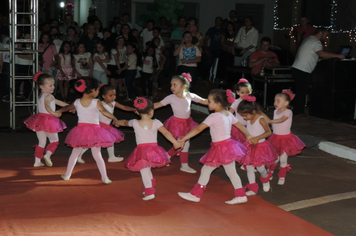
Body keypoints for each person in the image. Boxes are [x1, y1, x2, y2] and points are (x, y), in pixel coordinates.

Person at [177, 89, 251, 204]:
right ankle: (241, 194)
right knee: (231, 172)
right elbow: (240, 125)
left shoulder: (214, 116)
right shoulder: (228, 114)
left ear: (218, 103)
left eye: (210, 101)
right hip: (228, 146)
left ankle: (196, 194)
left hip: (221, 148)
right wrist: (249, 135)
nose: (208, 103)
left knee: (206, 169)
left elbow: (199, 128)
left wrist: (184, 138)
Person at [117, 97, 180, 200]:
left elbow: (124, 122)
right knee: (147, 169)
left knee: (144, 170)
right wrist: (175, 142)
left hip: (142, 151)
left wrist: (117, 122)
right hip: (154, 150)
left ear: (137, 112)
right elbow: (166, 133)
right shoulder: (156, 122)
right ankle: (150, 185)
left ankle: (149, 191)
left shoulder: (135, 122)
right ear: (151, 111)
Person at [59, 77, 120, 184]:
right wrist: (115, 118)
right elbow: (105, 112)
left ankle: (67, 175)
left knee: (74, 153)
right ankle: (105, 177)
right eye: (97, 90)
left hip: (81, 130)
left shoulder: (77, 101)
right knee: (97, 155)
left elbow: (67, 108)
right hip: (95, 130)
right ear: (92, 90)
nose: (97, 92)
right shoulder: (96, 102)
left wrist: (58, 111)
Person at [154, 73, 208, 173]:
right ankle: (183, 165)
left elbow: (204, 101)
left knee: (181, 144)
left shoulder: (189, 95)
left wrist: (217, 102)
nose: (172, 87)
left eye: (175, 85)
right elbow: (158, 104)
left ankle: (166, 157)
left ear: (184, 86)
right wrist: (145, 108)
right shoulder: (171, 97)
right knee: (185, 144)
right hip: (176, 124)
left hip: (187, 123)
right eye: (171, 85)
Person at [76, 84, 136, 163]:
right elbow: (105, 112)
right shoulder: (101, 104)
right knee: (93, 143)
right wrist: (114, 119)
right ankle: (79, 155)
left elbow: (124, 107)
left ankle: (111, 157)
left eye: (114, 95)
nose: (113, 97)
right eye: (110, 95)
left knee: (109, 141)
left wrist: (134, 110)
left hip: (107, 126)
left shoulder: (113, 103)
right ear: (104, 96)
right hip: (100, 127)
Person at [291, 28, 345, 115]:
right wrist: (338, 56)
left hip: (297, 68)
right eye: (326, 35)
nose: (326, 37)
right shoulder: (316, 42)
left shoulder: (308, 39)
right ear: (320, 33)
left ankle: (297, 111)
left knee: (301, 91)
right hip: (302, 70)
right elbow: (322, 54)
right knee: (302, 92)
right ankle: (298, 113)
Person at [24, 72, 68, 167]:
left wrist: (70, 107)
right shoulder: (49, 96)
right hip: (49, 121)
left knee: (42, 142)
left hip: (39, 121)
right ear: (42, 86)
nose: (53, 87)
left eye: (53, 85)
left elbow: (58, 102)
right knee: (54, 141)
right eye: (51, 85)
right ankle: (47, 155)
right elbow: (47, 106)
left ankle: (37, 161)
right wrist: (53, 113)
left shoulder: (41, 95)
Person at [237, 95, 279, 196]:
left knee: (260, 168)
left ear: (253, 112)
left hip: (260, 147)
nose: (244, 118)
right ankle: (253, 187)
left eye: (245, 115)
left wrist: (257, 138)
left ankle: (265, 180)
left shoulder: (261, 119)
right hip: (250, 147)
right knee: (250, 168)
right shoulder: (249, 119)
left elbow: (268, 132)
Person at [267, 90, 305, 185]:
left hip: (285, 139)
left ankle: (282, 176)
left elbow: (281, 120)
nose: (275, 103)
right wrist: (271, 127)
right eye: (275, 101)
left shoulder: (288, 112)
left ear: (286, 103)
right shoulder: (275, 111)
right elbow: (275, 123)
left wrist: (270, 121)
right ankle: (270, 172)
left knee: (283, 159)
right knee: (274, 158)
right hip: (275, 138)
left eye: (278, 101)